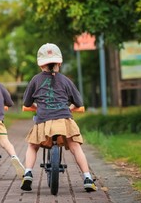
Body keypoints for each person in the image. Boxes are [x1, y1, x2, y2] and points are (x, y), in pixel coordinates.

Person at [20, 43, 97, 192]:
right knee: (75, 146)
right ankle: (87, 178)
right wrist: (69, 108)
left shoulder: (35, 80)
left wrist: (39, 106)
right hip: (64, 120)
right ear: (59, 62)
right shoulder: (66, 81)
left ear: (40, 64)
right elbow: (79, 103)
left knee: (33, 146)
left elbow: (27, 102)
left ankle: (28, 173)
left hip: (43, 120)